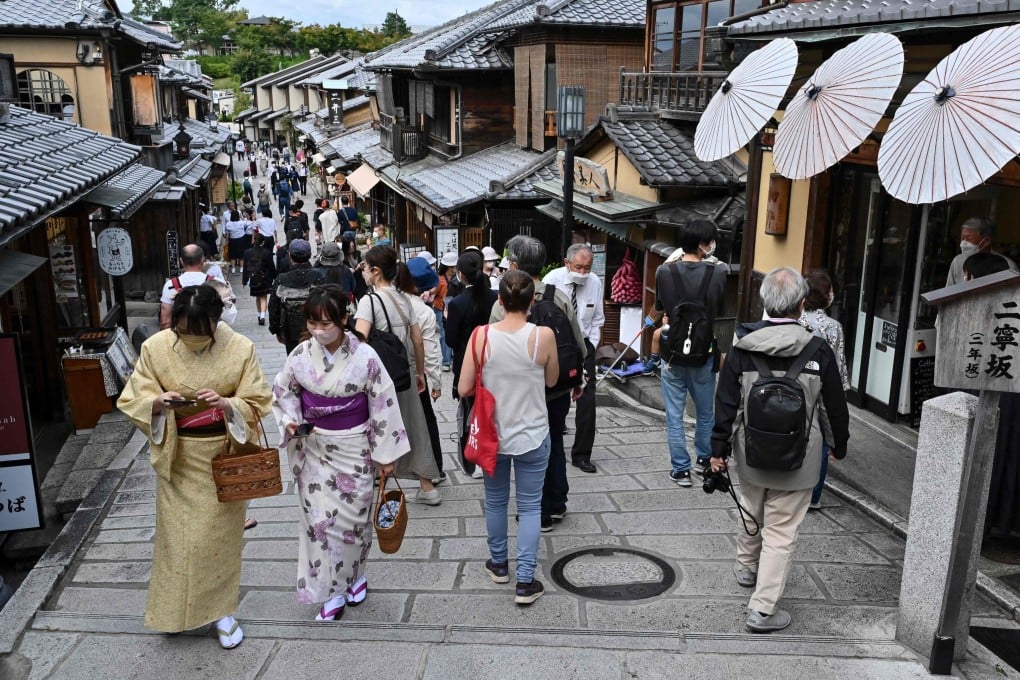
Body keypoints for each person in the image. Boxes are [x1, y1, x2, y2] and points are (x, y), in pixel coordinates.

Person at [117, 284, 272, 648]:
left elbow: (259, 399)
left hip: (222, 457)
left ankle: (222, 612)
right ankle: (174, 612)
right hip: (179, 457)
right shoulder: (155, 348)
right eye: (181, 330)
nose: (188, 337)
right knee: (178, 543)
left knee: (216, 541)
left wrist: (227, 403)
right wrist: (157, 402)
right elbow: (132, 396)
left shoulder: (240, 348)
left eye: (197, 330)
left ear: (216, 322)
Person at [710, 267, 850, 633]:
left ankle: (745, 567)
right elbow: (834, 407)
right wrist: (839, 444)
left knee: (752, 506)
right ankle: (762, 609)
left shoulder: (741, 348)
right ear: (802, 305)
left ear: (763, 302)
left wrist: (718, 449)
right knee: (782, 532)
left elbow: (725, 404)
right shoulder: (818, 350)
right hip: (801, 458)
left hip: (750, 453)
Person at [272, 284, 408, 621]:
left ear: (344, 319)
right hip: (313, 448)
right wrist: (290, 421)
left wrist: (385, 453)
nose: (318, 331)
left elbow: (382, 402)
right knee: (320, 523)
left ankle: (356, 575)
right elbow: (283, 391)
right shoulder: (300, 355)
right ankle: (330, 591)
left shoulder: (365, 356)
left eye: (326, 324)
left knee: (353, 522)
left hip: (354, 447)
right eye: (313, 324)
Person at [459, 269, 559, 606]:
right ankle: (526, 581)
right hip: (532, 433)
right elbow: (551, 380)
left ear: (499, 301)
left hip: (492, 434)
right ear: (532, 301)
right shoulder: (542, 336)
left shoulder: (481, 336)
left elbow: (462, 388)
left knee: (496, 499)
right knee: (530, 506)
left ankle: (499, 564)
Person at [490, 235, 586, 531]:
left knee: (526, 446)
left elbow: (493, 348)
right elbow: (577, 341)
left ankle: (536, 509)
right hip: (555, 388)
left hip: (518, 393)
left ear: (515, 265)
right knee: (554, 439)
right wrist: (579, 379)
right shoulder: (558, 296)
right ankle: (555, 502)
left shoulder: (502, 302)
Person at [354, 246, 442, 504]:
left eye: (365, 267)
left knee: (375, 428)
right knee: (415, 427)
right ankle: (428, 487)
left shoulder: (369, 301)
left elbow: (359, 339)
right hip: (403, 373)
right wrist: (419, 372)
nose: (363, 271)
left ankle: (370, 486)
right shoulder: (405, 299)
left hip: (377, 378)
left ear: (375, 271)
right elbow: (417, 339)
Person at [654, 219, 727, 487]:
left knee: (674, 414)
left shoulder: (664, 272)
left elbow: (661, 307)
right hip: (703, 352)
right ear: (702, 245)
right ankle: (704, 460)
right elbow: (718, 307)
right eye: (710, 242)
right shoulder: (718, 273)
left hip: (672, 352)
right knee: (705, 412)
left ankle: (680, 470)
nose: (712, 246)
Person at [543, 244, 605, 474]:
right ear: (567, 263)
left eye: (587, 268)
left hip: (584, 346)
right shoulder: (552, 280)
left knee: (587, 400)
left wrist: (591, 347)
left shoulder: (595, 282)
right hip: (557, 346)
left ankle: (582, 454)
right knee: (552, 396)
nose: (583, 272)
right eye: (578, 267)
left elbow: (597, 318)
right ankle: (548, 443)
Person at [798, 269, 849, 510]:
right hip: (821, 390)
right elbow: (837, 368)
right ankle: (812, 495)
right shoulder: (833, 326)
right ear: (826, 295)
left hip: (795, 388)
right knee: (820, 442)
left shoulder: (794, 319)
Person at [446, 250, 498, 479]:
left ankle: (475, 457)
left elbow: (450, 340)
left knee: (470, 409)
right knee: (489, 409)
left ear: (460, 274)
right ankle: (491, 452)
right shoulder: (495, 297)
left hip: (466, 363)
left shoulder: (457, 303)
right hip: (492, 360)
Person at [399, 258, 446, 484]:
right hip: (417, 374)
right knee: (426, 419)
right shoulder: (423, 312)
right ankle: (434, 467)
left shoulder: (388, 302)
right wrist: (436, 382)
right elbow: (430, 351)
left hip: (388, 373)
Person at [268, 239, 325, 354]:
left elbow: (273, 306)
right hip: (315, 329)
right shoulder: (318, 277)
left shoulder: (281, 279)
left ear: (290, 256)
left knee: (294, 361)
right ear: (309, 255)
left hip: (290, 331)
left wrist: (276, 330)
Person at [158, 244, 224, 330]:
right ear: (203, 260)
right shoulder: (216, 282)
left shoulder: (171, 285)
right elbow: (226, 316)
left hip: (182, 334)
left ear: (181, 261)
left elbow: (165, 322)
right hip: (210, 334)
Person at [946, 217, 1018, 286]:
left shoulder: (1007, 266)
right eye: (962, 238)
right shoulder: (957, 261)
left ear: (986, 241)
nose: (964, 243)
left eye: (969, 238)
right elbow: (948, 291)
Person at [243, 233, 277, 327]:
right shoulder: (266, 253)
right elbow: (271, 267)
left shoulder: (247, 252)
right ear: (263, 242)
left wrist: (244, 280)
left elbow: (245, 267)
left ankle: (259, 314)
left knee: (258, 297)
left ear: (254, 240)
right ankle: (262, 316)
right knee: (263, 297)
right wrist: (275, 277)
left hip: (253, 278)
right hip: (264, 278)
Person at [436, 251, 457, 371]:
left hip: (453, 309)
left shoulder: (458, 277)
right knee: (444, 334)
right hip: (440, 308)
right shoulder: (439, 279)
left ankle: (450, 357)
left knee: (451, 331)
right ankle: (446, 360)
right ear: (449, 267)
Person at [223, 209, 248, 275]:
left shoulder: (228, 224)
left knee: (233, 254)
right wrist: (241, 216)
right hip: (241, 239)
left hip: (232, 240)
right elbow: (246, 224)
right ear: (238, 216)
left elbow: (227, 234)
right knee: (241, 254)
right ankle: (242, 268)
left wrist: (226, 241)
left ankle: (233, 268)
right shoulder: (242, 223)